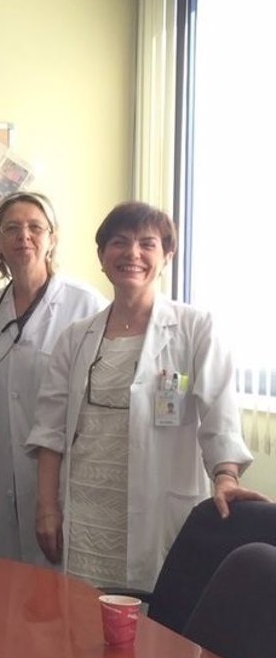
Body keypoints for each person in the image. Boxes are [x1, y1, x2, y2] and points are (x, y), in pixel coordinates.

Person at [28, 202, 264, 592]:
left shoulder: (195, 329)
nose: (132, 253)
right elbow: (49, 431)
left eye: (147, 244)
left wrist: (225, 477)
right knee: (83, 613)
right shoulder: (76, 337)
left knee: (155, 614)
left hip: (158, 507)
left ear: (167, 255)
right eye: (119, 242)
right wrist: (47, 507)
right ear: (102, 257)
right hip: (87, 509)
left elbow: (219, 414)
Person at [0, 192, 106, 566]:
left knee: (57, 585)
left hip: (61, 478)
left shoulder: (86, 305)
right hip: (4, 475)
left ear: (52, 238)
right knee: (7, 583)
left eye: (35, 227)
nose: (24, 236)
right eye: (12, 228)